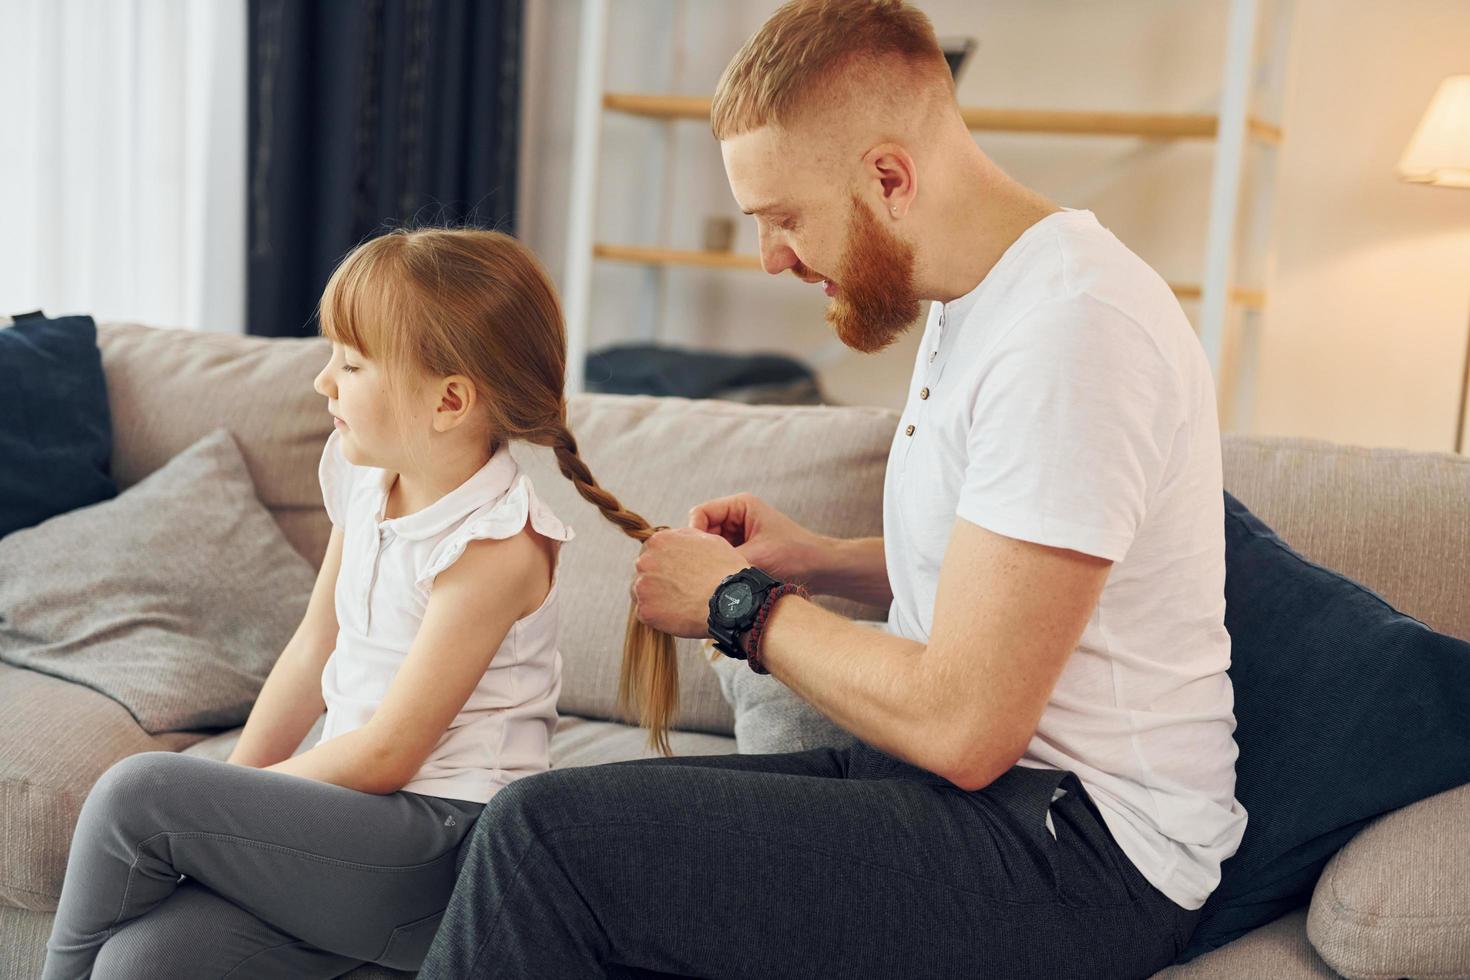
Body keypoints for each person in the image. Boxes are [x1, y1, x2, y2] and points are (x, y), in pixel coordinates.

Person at [418, 2, 1248, 978]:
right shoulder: (979, 296)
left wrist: (740, 604)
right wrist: (817, 559)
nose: (769, 254)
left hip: (1079, 847)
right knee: (601, 857)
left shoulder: (1071, 333)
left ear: (889, 177)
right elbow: (1017, 571)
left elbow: (967, 725)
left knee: (542, 839)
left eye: (783, 216)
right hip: (982, 796)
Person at [41, 228, 670, 978]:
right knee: (146, 960)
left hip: (443, 849)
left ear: (450, 400)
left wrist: (220, 803)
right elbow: (316, 645)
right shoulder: (364, 478)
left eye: (351, 362)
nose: (323, 382)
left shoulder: (497, 545)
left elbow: (389, 751)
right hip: (358, 834)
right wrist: (229, 798)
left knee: (137, 792)